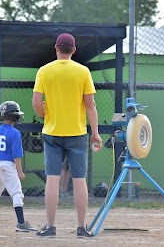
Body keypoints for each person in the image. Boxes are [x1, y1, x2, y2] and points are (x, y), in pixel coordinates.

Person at [32, 33, 102, 237]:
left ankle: (50, 227)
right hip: (77, 134)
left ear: (56, 48)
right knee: (79, 180)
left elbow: (36, 102)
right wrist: (95, 133)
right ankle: (82, 227)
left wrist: (46, 115)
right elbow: (90, 105)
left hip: (52, 133)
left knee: (52, 180)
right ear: (74, 50)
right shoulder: (83, 71)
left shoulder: (44, 71)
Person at [0, 101, 37, 232]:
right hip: (8, 166)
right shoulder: (15, 133)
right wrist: (20, 172)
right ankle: (21, 223)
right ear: (14, 116)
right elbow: (16, 155)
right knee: (17, 193)